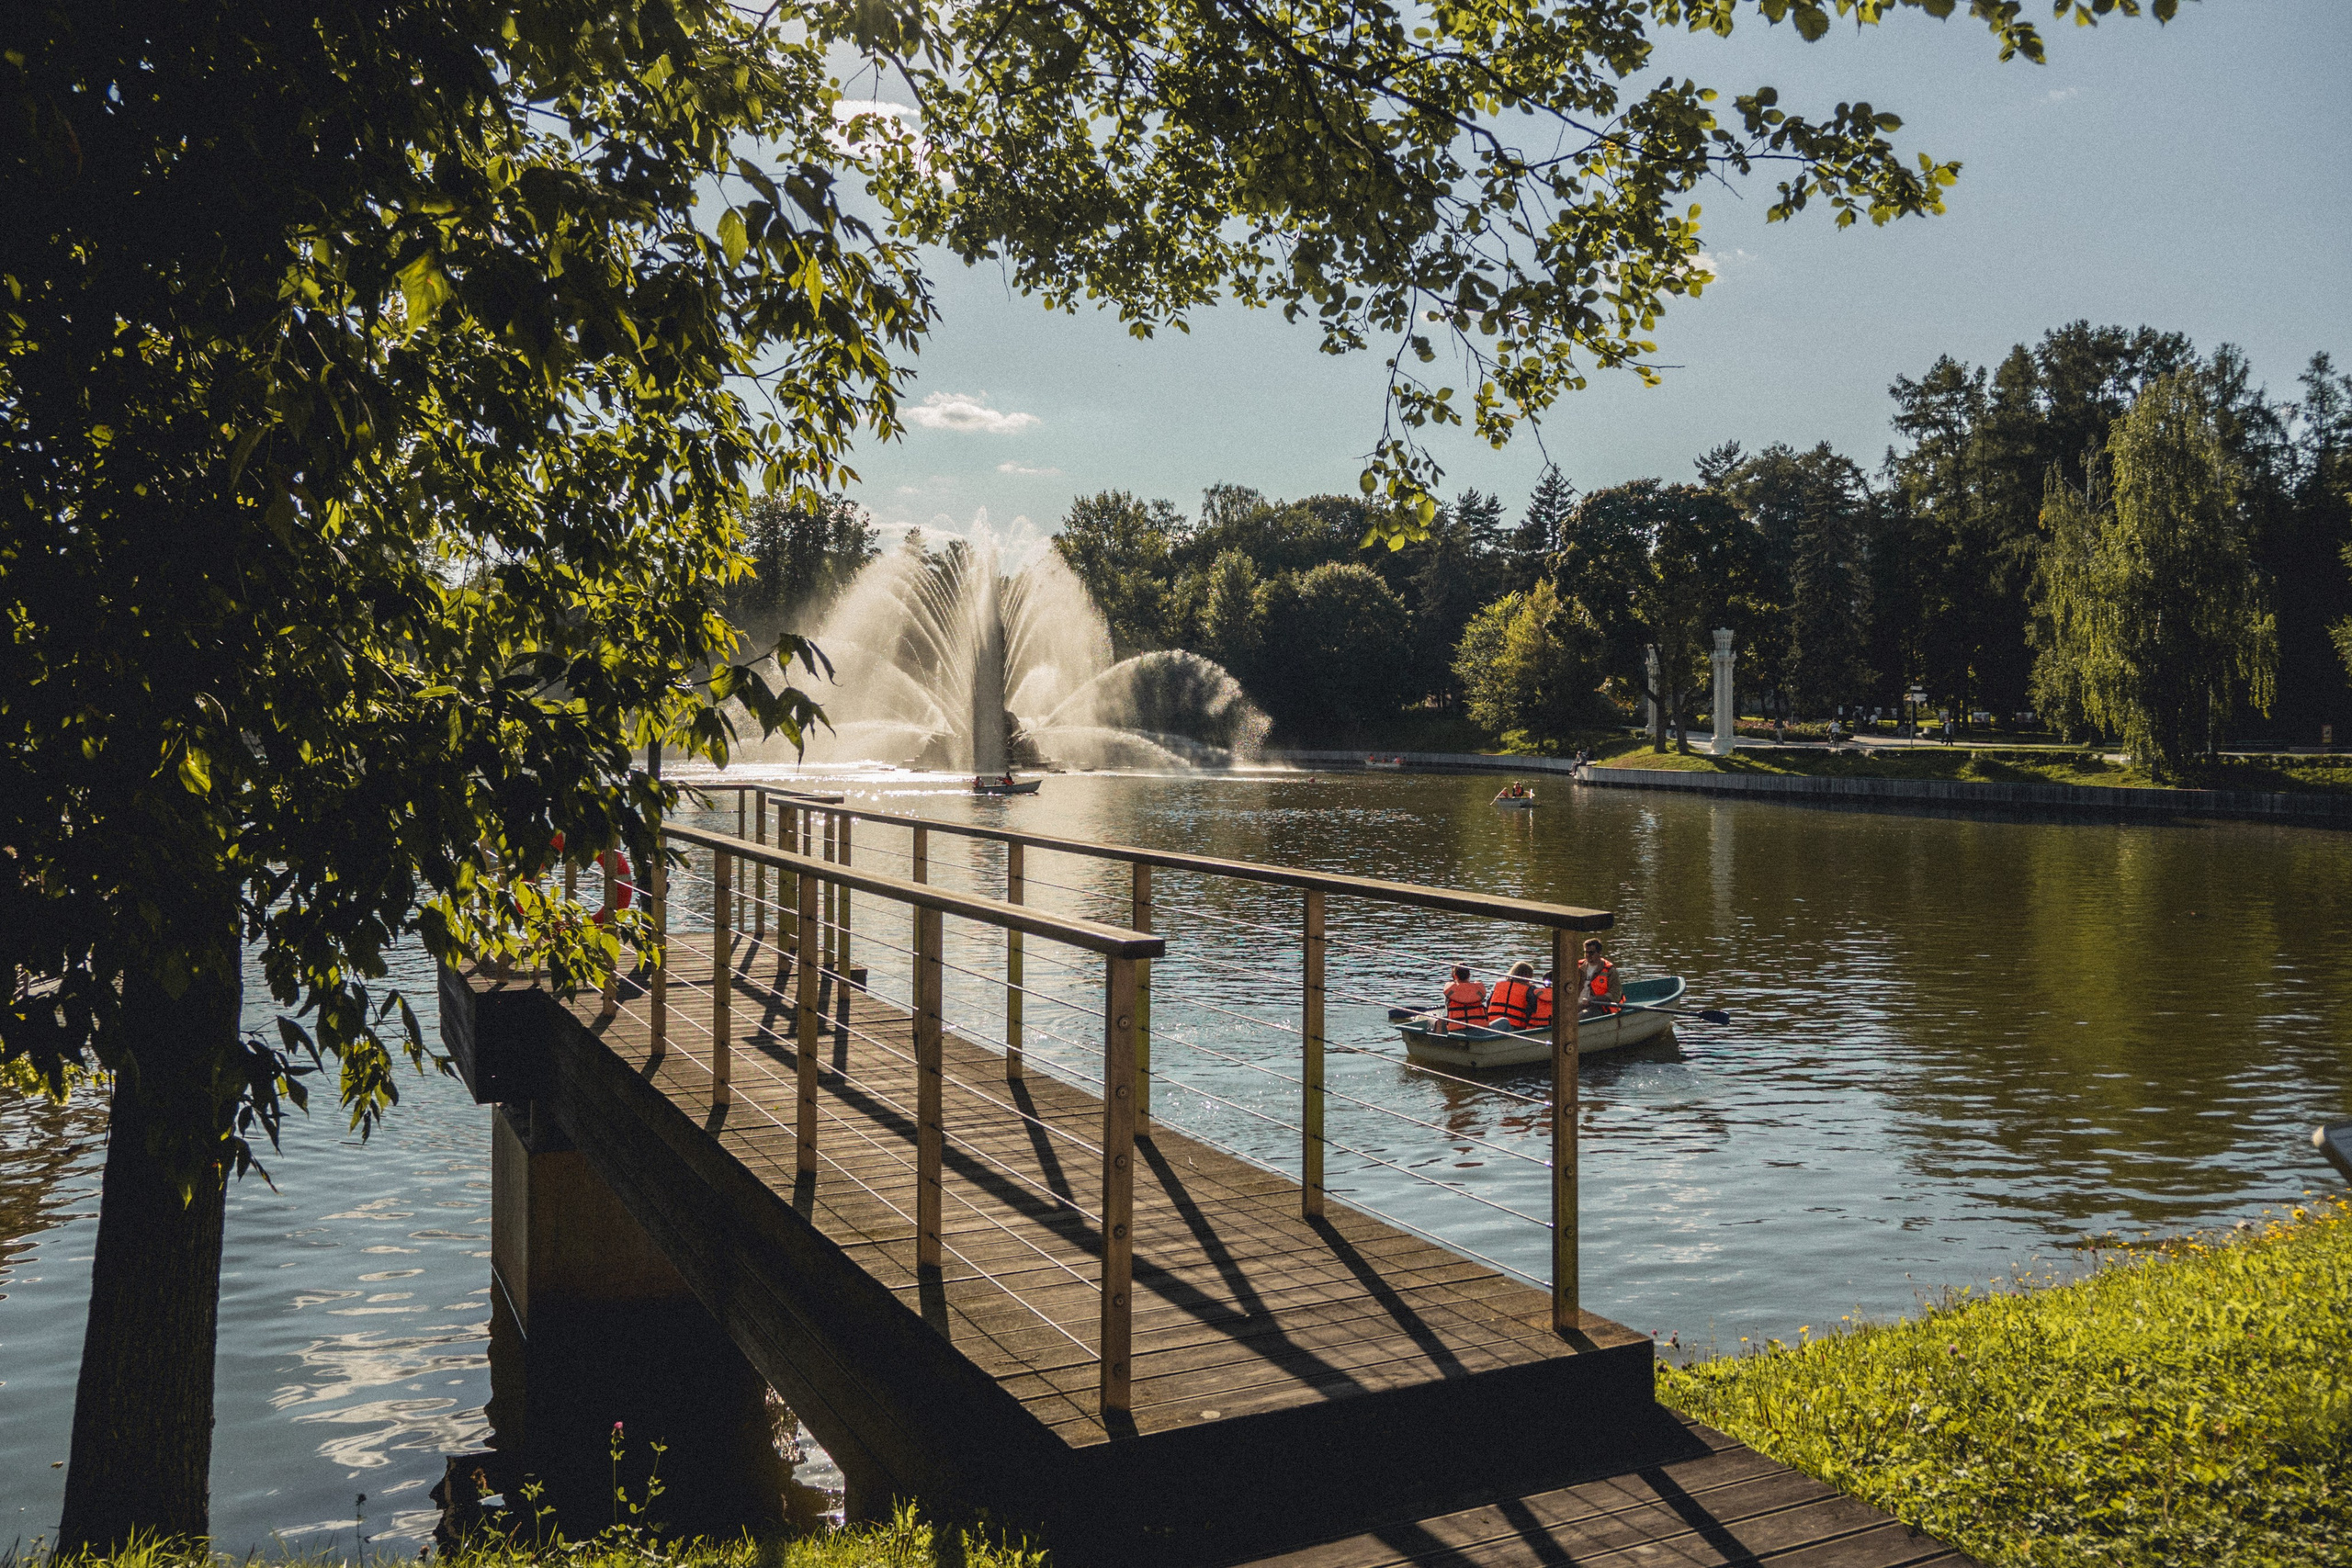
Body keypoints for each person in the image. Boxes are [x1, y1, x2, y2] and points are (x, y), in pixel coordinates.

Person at [1487, 961, 1537, 1029]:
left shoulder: (1498, 984)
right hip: (1515, 1027)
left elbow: (1488, 1002)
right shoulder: (1530, 988)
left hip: (1493, 1023)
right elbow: (1534, 1008)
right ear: (1529, 975)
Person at [1442, 964, 1488, 1031]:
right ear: (1469, 975)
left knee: (1440, 1019)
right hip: (1480, 1029)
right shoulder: (1478, 991)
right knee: (1504, 1021)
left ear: (1455, 976)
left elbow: (1447, 1010)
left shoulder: (1450, 991)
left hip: (1456, 1030)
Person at [1579, 939, 1618, 1012]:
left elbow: (1615, 995)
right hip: (1576, 1004)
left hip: (1598, 1006)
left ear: (1599, 952)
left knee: (1576, 1019)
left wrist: (1593, 999)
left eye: (1591, 953)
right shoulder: (1578, 966)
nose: (1587, 955)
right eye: (1585, 952)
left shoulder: (1610, 970)